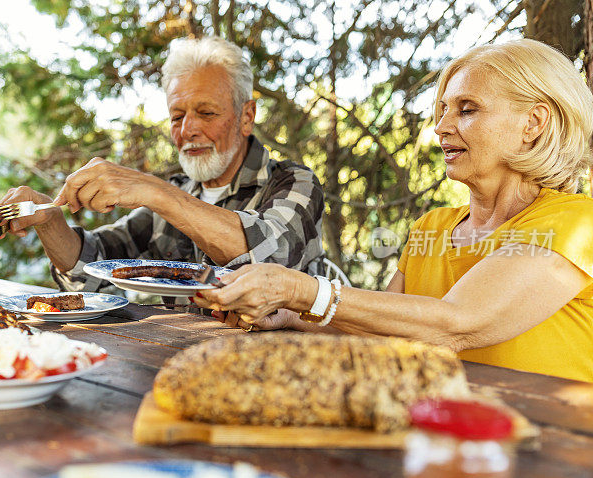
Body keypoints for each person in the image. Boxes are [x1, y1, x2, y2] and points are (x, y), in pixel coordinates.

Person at [195, 39, 593, 383]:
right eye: (442, 109)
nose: (441, 126)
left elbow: (457, 323)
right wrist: (290, 315)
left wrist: (298, 288)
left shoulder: (577, 222)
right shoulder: (432, 227)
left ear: (534, 123)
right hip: (441, 441)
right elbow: (385, 337)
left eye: (467, 109)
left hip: (550, 456)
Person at [0, 36, 325, 292]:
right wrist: (49, 220)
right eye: (177, 116)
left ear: (246, 117)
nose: (188, 130)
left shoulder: (293, 183)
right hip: (179, 363)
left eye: (207, 113)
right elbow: (89, 275)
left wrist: (156, 192)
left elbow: (270, 255)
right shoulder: (176, 195)